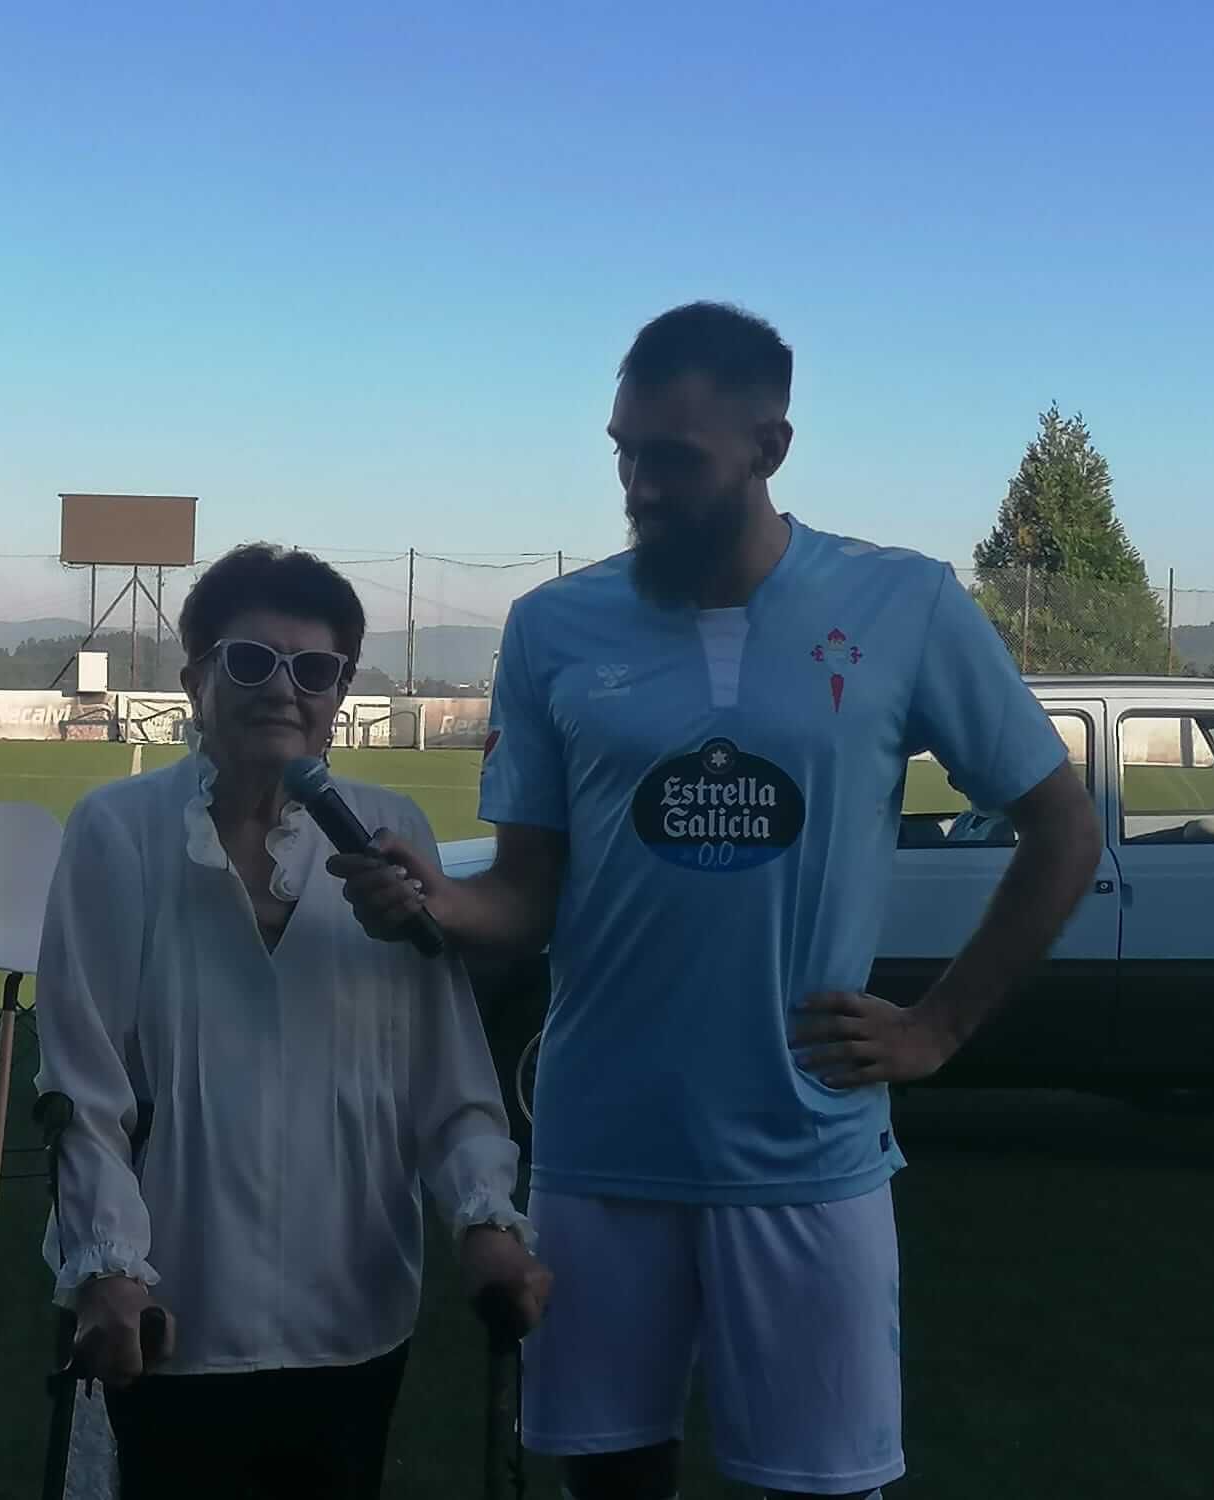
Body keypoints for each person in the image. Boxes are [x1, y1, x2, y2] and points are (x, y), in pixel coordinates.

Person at [331, 302, 1103, 1500]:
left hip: (808, 1150)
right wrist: (433, 903)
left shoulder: (903, 604)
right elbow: (523, 898)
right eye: (623, 452)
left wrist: (936, 1027)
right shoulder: (551, 628)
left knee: (821, 1488)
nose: (636, 484)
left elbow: (1061, 824)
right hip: (598, 1149)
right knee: (608, 1483)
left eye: (671, 458)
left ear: (768, 448)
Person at [34, 543, 553, 1500]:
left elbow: (449, 1072)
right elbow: (81, 1080)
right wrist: (107, 1262)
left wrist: (484, 1217)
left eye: (315, 670)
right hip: (175, 1301)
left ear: (341, 692)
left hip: (351, 1299)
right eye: (250, 661)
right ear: (195, 678)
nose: (283, 689)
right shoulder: (117, 831)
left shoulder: (391, 831)